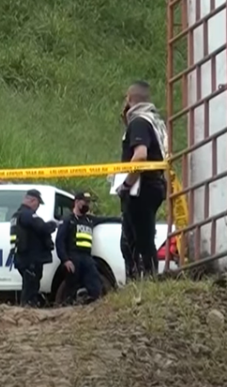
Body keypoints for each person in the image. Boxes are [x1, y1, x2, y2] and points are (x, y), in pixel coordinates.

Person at [118, 80, 168, 278]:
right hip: (155, 183)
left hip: (140, 188)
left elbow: (140, 156)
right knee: (142, 239)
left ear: (130, 99)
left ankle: (143, 283)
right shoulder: (156, 121)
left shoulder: (139, 122)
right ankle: (145, 281)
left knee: (136, 242)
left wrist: (126, 184)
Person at [55, 192, 115, 304]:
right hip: (73, 258)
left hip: (87, 258)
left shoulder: (89, 220)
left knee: (95, 286)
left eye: (89, 202)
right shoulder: (68, 219)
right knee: (70, 289)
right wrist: (65, 260)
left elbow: (107, 219)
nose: (87, 205)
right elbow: (59, 241)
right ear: (76, 202)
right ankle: (66, 310)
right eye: (85, 202)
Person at [9, 189, 59, 307]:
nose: (38, 207)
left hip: (22, 257)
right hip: (30, 258)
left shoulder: (17, 215)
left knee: (29, 286)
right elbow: (43, 228)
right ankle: (27, 314)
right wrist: (54, 224)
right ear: (32, 200)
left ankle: (27, 311)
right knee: (30, 288)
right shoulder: (27, 214)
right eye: (37, 204)